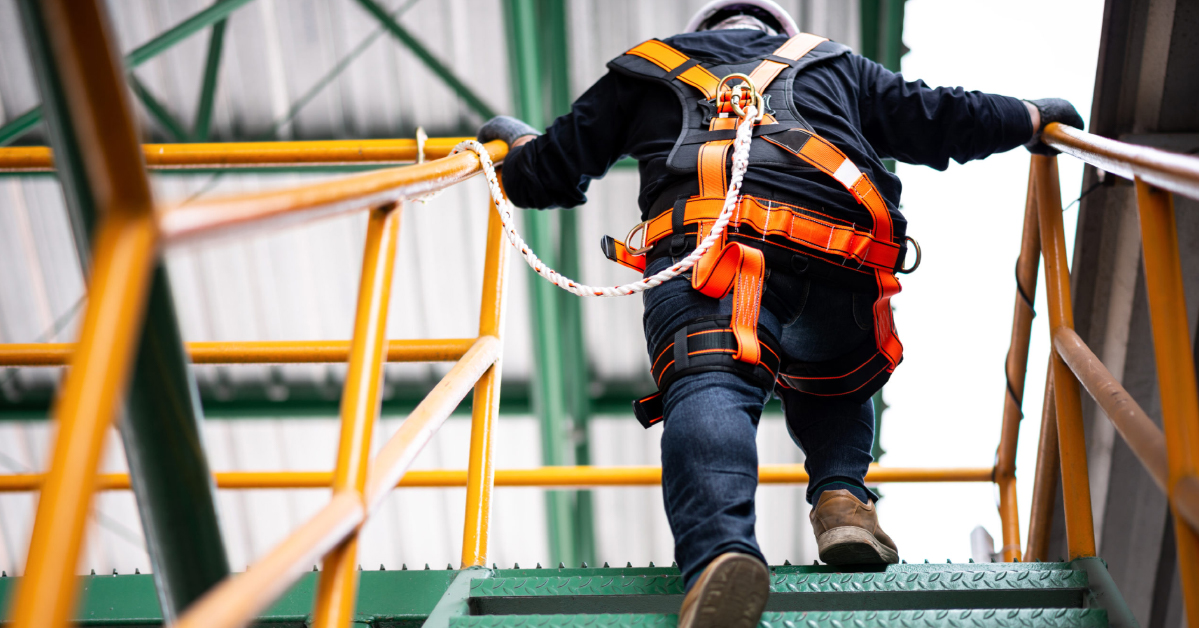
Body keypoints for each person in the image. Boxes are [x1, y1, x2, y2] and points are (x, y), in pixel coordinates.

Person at [478, 1, 1084, 626]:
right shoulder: (834, 63)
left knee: (710, 382)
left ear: (698, 34)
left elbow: (544, 173)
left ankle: (721, 556)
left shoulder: (643, 72)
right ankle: (843, 500)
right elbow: (939, 116)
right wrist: (1032, 118)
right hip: (840, 257)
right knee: (834, 378)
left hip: (711, 254)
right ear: (782, 37)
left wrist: (513, 139)